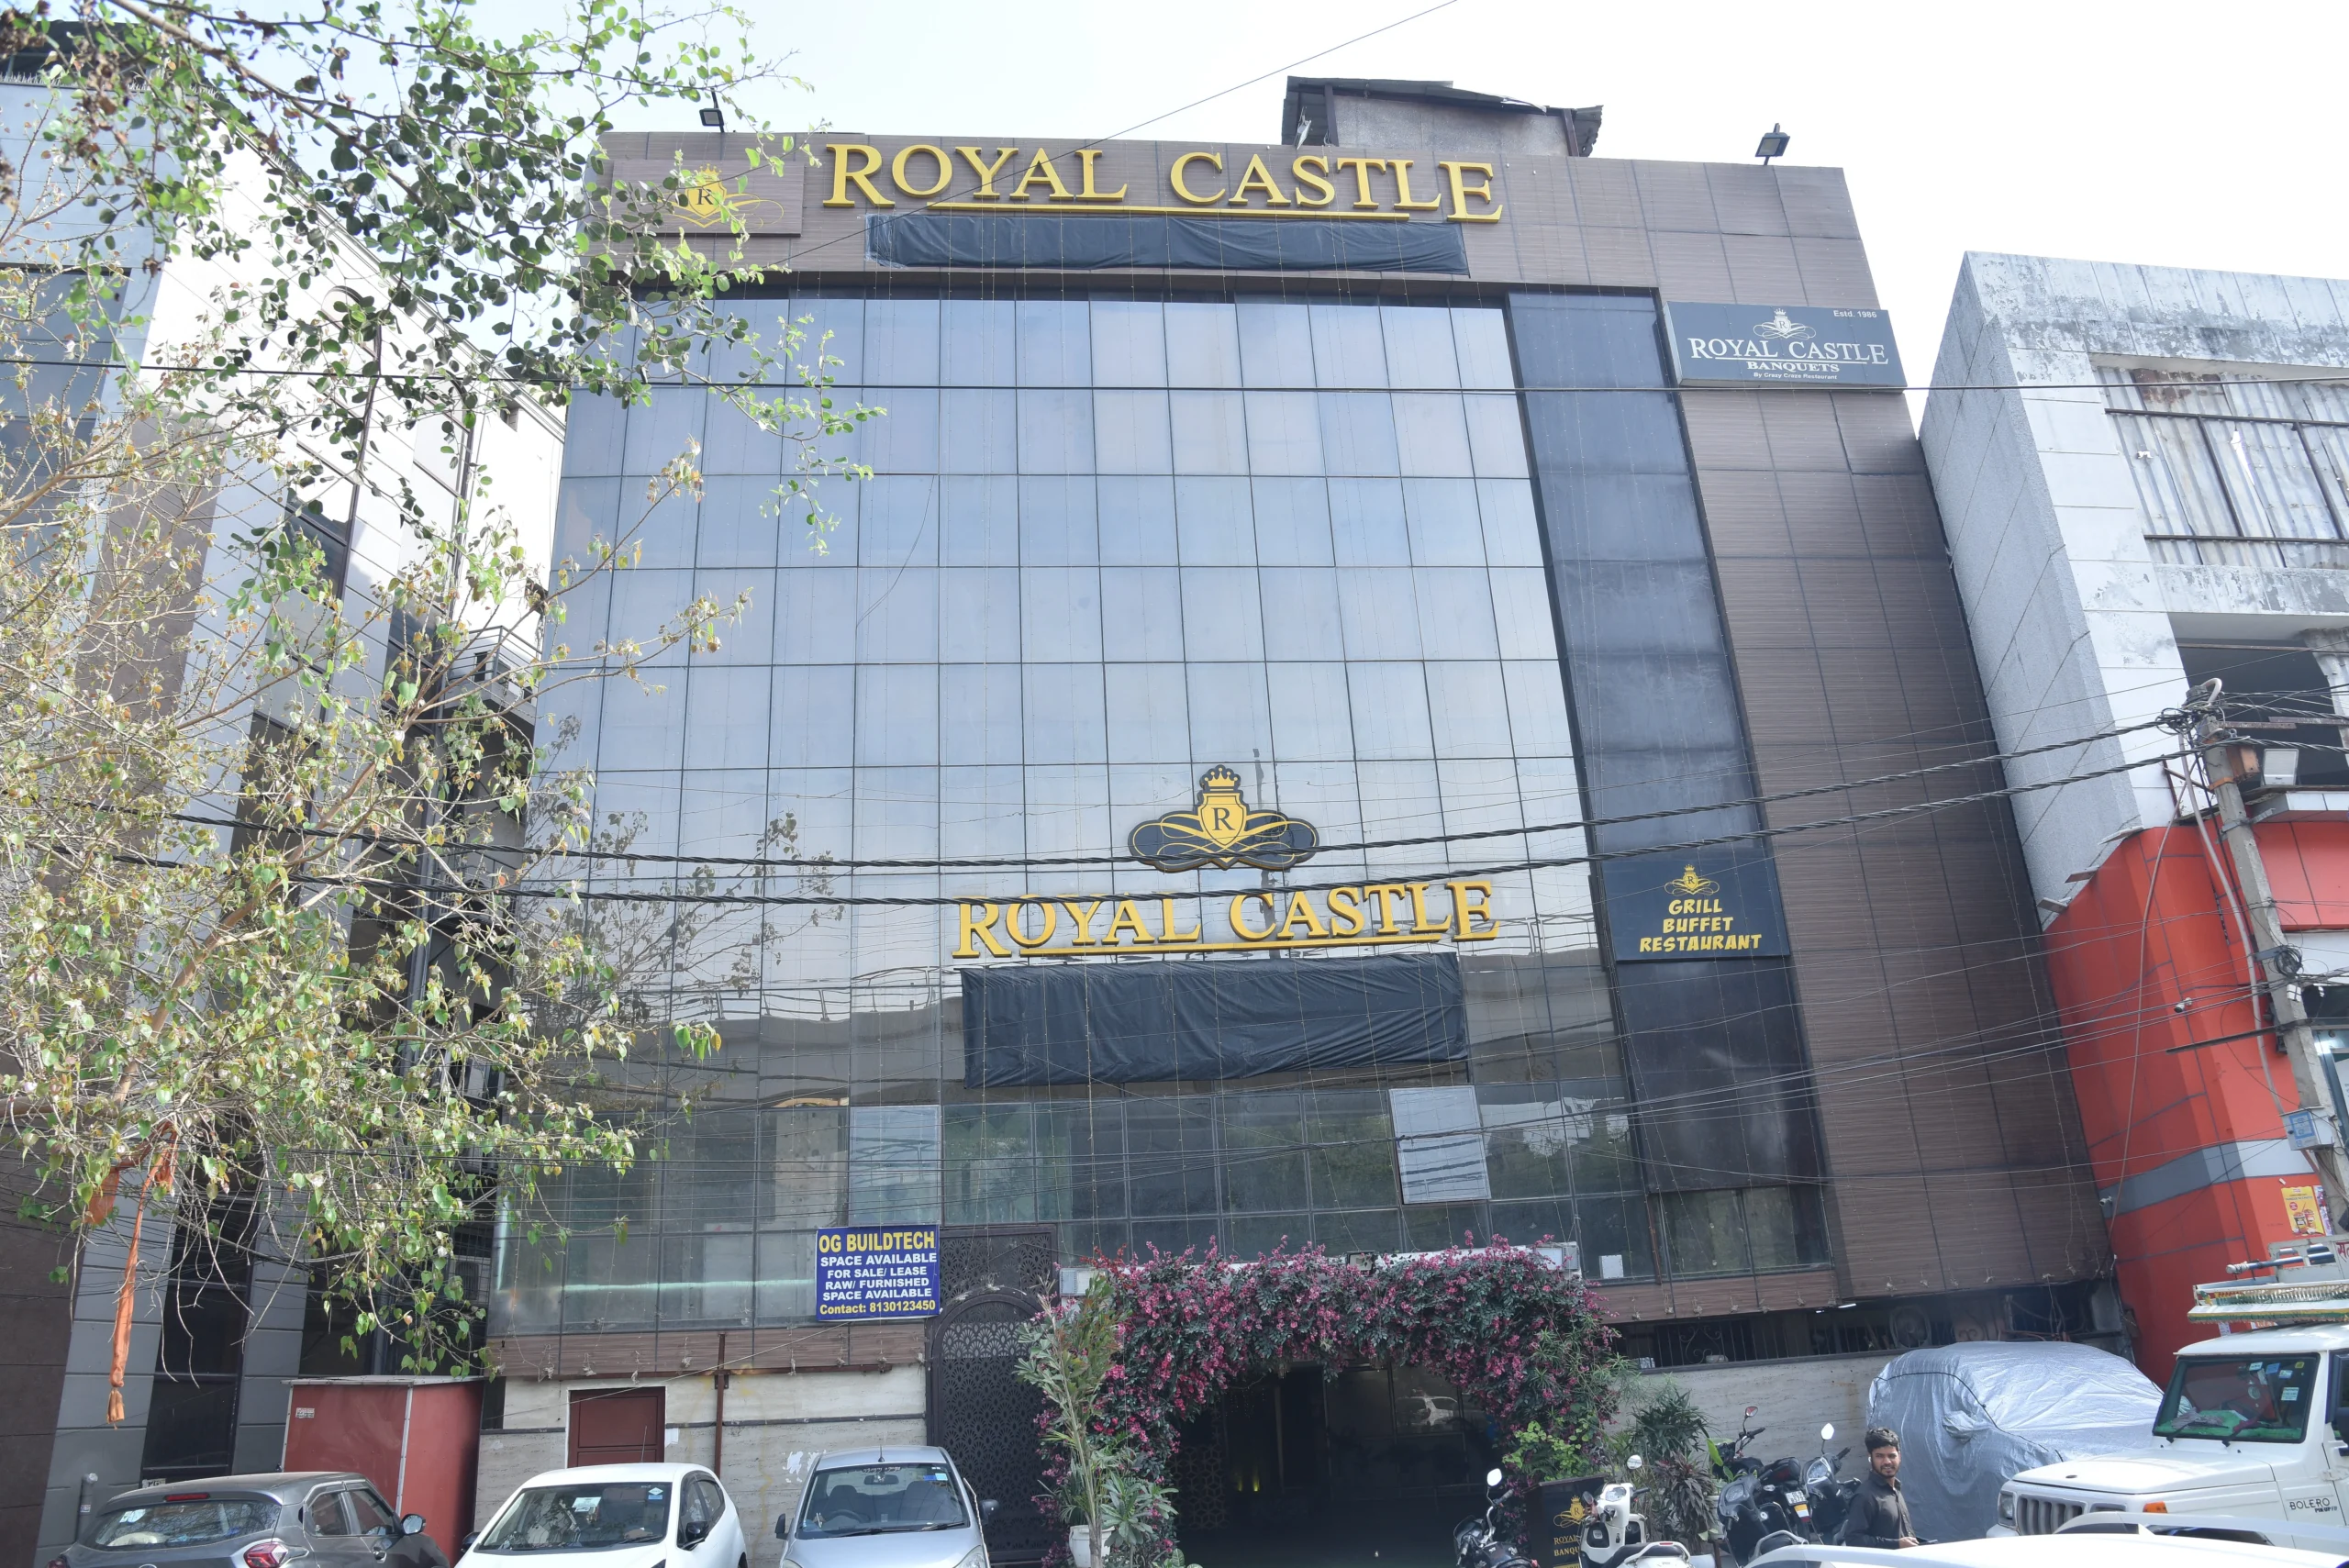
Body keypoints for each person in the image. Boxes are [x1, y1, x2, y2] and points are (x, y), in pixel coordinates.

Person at [1841, 1427, 1920, 1549]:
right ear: (1870, 1457)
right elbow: (1854, 1540)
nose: (1887, 1461)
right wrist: (1896, 1544)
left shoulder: (1895, 1489)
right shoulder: (1865, 1496)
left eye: (1892, 1456)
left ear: (1899, 1456)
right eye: (1880, 1456)